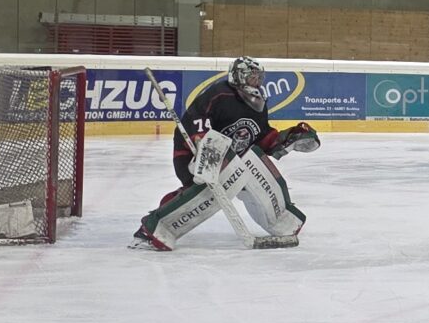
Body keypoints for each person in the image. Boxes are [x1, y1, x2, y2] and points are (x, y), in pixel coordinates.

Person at [134, 57, 317, 252]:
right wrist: (203, 144)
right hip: (190, 153)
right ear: (238, 76)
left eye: (259, 78)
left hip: (229, 159)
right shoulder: (219, 94)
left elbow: (260, 136)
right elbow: (195, 118)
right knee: (205, 190)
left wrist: (285, 139)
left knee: (254, 163)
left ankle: (282, 220)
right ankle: (155, 228)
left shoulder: (258, 102)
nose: (257, 82)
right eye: (252, 77)